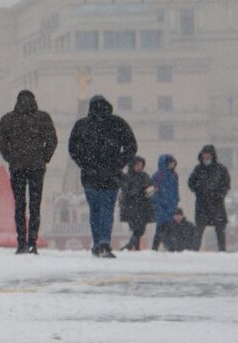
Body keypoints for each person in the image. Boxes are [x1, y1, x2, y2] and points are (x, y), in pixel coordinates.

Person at [68, 95, 136, 258]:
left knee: (95, 211)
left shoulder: (82, 125)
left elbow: (73, 149)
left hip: (90, 176)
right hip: (111, 176)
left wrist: (86, 164)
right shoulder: (117, 123)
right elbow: (131, 146)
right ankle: (103, 243)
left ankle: (98, 242)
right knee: (106, 210)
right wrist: (118, 163)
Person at [0, 90, 57, 254]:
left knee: (19, 206)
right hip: (37, 167)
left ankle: (21, 242)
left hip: (17, 167)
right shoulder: (43, 118)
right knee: (35, 207)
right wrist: (45, 158)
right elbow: (52, 140)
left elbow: (0, 141)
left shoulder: (8, 119)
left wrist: (10, 157)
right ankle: (32, 243)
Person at [187, 144, 230, 252]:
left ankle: (222, 251)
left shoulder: (221, 169)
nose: (206, 158)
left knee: (220, 229)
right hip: (202, 204)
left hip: (217, 203)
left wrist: (220, 194)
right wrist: (199, 191)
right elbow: (191, 183)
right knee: (199, 229)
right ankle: (194, 251)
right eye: (204, 155)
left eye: (208, 155)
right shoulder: (198, 169)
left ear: (213, 156)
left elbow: (226, 184)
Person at [118, 156, 154, 251]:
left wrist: (151, 190)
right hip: (131, 207)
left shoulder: (144, 176)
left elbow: (150, 186)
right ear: (132, 165)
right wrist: (140, 189)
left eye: (141, 165)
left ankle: (130, 246)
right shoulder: (127, 176)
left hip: (144, 206)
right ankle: (135, 247)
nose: (139, 167)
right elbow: (127, 191)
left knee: (141, 229)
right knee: (136, 228)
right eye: (137, 165)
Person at [150, 155, 180, 251]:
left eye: (173, 163)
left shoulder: (174, 175)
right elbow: (152, 191)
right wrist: (157, 203)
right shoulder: (158, 175)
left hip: (170, 207)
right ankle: (167, 248)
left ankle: (165, 247)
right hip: (161, 207)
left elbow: (175, 191)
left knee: (167, 228)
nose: (172, 165)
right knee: (162, 228)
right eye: (171, 163)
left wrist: (175, 202)